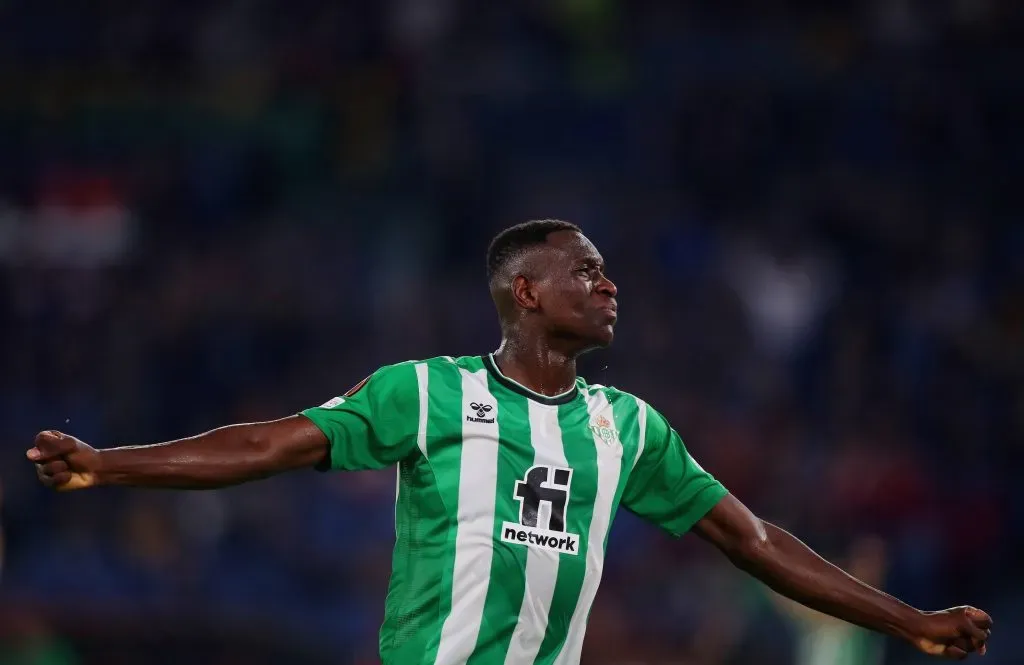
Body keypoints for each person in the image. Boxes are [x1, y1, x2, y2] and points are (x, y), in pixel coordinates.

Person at [27, 219, 992, 664]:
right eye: (587, 271)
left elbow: (758, 542)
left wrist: (906, 620)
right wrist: (113, 463)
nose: (610, 286)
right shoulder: (428, 391)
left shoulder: (631, 428)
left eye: (610, 273)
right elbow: (273, 445)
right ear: (526, 291)